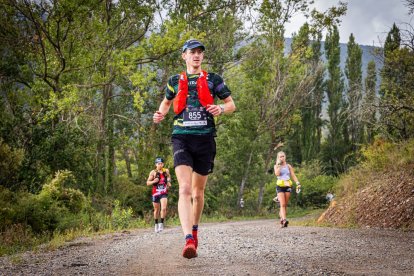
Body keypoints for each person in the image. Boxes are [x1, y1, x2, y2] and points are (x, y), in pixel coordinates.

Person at [153, 39, 236, 258]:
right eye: (192, 52)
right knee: (184, 189)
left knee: (198, 193)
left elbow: (231, 104)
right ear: (184, 56)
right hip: (181, 138)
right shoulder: (174, 81)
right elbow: (166, 103)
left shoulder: (213, 79)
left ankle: (195, 230)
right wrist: (159, 114)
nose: (197, 55)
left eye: (200, 52)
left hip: (205, 139)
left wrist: (220, 108)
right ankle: (188, 239)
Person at [274, 151, 301, 228]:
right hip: (280, 186)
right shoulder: (276, 166)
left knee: (285, 205)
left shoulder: (288, 166)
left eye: (283, 156)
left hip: (288, 186)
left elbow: (293, 175)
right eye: (280, 157)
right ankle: (285, 220)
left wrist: (298, 183)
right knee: (282, 204)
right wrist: (279, 165)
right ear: (278, 158)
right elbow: (277, 174)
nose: (282, 158)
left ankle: (282, 219)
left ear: (285, 157)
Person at [146, 157, 171, 233]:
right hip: (155, 193)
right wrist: (153, 181)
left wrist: (168, 182)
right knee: (156, 210)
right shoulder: (153, 172)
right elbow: (147, 183)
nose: (160, 165)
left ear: (163, 164)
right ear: (156, 164)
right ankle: (156, 224)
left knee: (163, 208)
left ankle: (161, 224)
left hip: (163, 192)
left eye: (161, 163)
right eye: (158, 163)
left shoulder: (166, 171)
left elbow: (169, 177)